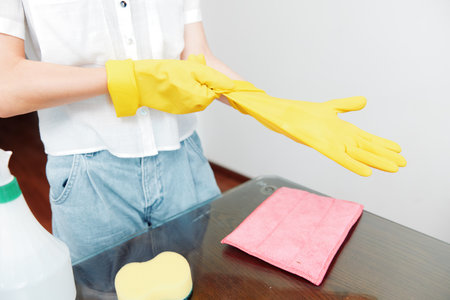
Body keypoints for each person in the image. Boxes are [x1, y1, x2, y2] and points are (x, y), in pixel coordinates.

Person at [0, 0, 242, 263]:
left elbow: (198, 58)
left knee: (203, 278)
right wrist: (130, 78)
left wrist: (261, 101)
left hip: (184, 159)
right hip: (90, 176)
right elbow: (7, 85)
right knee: (102, 290)